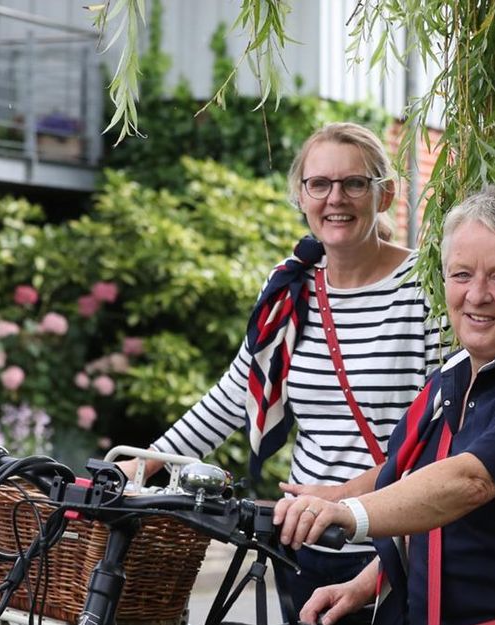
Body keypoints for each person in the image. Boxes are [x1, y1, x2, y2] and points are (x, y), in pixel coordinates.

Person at [117, 122, 446, 621]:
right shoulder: (290, 287)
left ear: (385, 195)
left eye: (354, 183)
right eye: (320, 184)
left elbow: (445, 434)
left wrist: (339, 497)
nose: (336, 198)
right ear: (301, 195)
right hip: (303, 542)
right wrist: (143, 465)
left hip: (398, 544)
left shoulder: (428, 289)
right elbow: (235, 396)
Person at [274, 186, 495, 625]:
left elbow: (466, 483)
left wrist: (347, 514)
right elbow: (432, 506)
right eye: (462, 274)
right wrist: (362, 585)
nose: (477, 295)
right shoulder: (455, 376)